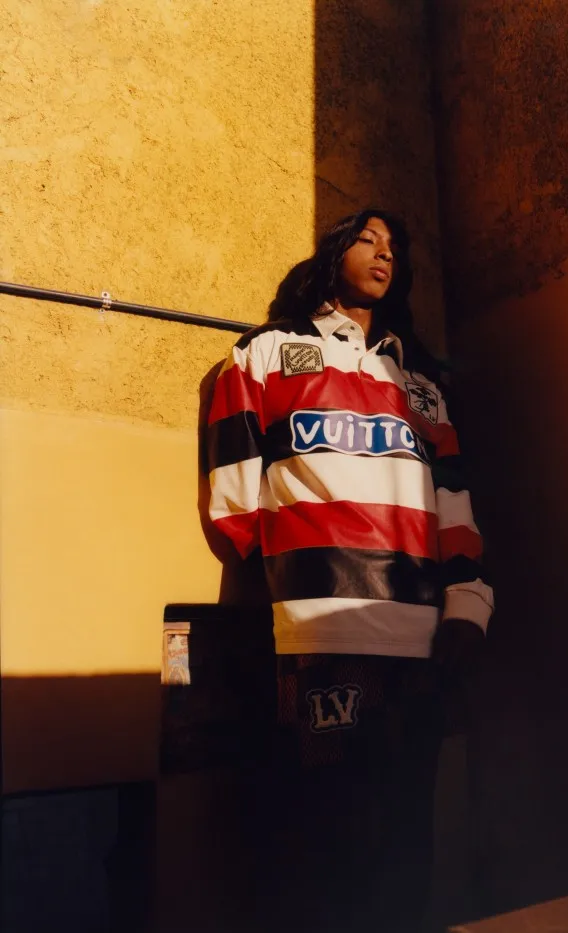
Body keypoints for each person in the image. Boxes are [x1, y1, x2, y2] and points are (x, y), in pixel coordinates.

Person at [207, 209, 494, 932]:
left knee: (408, 840)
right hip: (316, 644)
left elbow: (454, 502)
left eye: (394, 246)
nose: (383, 253)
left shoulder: (421, 382)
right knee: (324, 841)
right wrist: (287, 593)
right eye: (368, 239)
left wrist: (468, 607)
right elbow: (235, 503)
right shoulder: (266, 354)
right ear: (334, 251)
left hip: (421, 643)